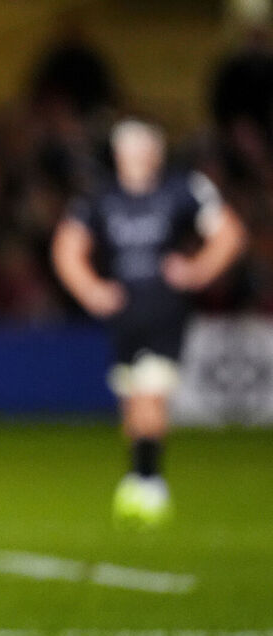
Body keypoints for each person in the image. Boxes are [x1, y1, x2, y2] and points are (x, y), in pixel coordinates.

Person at [51, 118, 246, 527]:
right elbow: (67, 246)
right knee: (132, 397)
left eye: (145, 150)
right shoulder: (100, 197)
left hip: (164, 309)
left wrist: (197, 270)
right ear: (119, 155)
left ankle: (149, 481)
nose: (138, 158)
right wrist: (90, 290)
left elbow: (229, 233)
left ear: (157, 153)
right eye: (131, 150)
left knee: (151, 392)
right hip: (124, 311)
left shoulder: (182, 189)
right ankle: (139, 477)